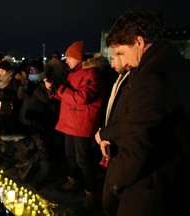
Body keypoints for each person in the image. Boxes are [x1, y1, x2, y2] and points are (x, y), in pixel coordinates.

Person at [95, 9, 190, 216]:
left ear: (138, 42)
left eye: (121, 53)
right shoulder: (174, 62)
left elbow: (137, 146)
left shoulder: (149, 76)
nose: (123, 61)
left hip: (150, 187)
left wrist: (114, 181)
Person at [44, 41, 105, 211]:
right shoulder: (72, 74)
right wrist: (53, 90)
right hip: (69, 122)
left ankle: (91, 193)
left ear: (77, 58)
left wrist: (60, 88)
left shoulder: (92, 74)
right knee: (70, 155)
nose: (66, 61)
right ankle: (74, 181)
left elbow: (83, 97)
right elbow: (66, 97)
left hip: (82, 124)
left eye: (69, 58)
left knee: (83, 160)